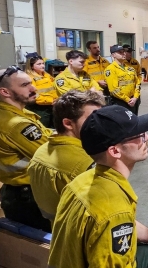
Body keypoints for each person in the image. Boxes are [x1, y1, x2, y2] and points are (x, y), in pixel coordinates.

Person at [47, 106, 148, 268]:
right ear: (115, 151)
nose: (147, 138)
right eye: (139, 135)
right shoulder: (115, 210)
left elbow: (126, 224)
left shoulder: (81, 181)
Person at [0, 66, 55, 231]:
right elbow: (53, 154)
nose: (34, 88)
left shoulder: (21, 114)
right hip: (28, 198)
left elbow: (47, 136)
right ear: (5, 92)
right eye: (25, 85)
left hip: (27, 194)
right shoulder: (15, 124)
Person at [28, 91, 104, 220]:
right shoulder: (86, 162)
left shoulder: (41, 151)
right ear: (68, 123)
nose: (100, 124)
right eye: (93, 119)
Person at [105, 45, 142, 114]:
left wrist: (135, 97)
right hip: (120, 102)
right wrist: (128, 100)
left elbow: (137, 83)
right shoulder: (110, 69)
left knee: (134, 122)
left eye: (124, 51)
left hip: (133, 99)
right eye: (120, 52)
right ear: (113, 55)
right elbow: (114, 90)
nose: (123, 53)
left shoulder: (130, 68)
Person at [25, 56, 57, 128]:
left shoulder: (47, 75)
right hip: (39, 109)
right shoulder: (29, 78)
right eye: (39, 64)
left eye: (43, 63)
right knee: (42, 128)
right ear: (31, 66)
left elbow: (53, 89)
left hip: (52, 106)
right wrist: (51, 100)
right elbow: (32, 95)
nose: (42, 66)